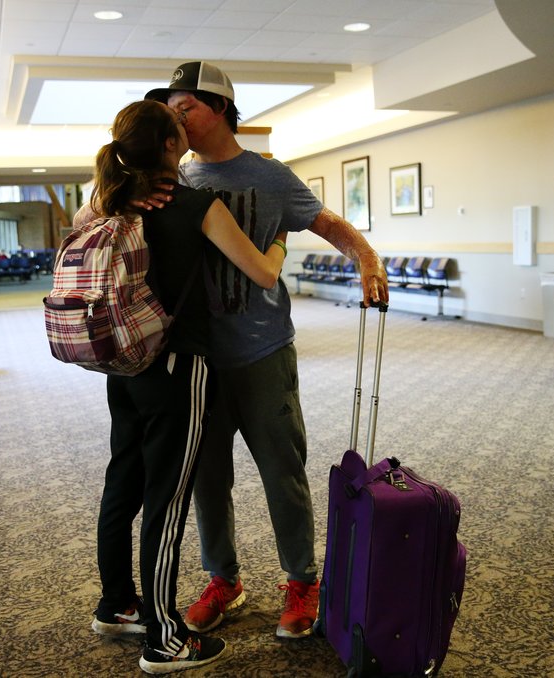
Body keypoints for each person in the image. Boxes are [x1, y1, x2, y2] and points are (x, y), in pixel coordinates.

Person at [145, 62, 390, 639]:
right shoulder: (172, 177)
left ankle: (302, 581)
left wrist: (366, 257)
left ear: (221, 110)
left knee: (283, 472)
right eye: (170, 110)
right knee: (207, 478)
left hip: (263, 352)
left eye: (186, 107)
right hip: (199, 358)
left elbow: (327, 223)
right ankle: (223, 579)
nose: (176, 119)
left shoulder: (269, 176)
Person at [87, 100, 289, 674]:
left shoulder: (111, 201)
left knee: (122, 486)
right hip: (178, 367)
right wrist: (280, 240)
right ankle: (165, 637)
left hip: (123, 365)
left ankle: (117, 604)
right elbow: (263, 272)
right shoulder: (196, 204)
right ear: (172, 147)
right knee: (169, 502)